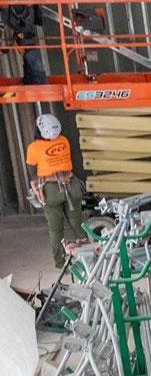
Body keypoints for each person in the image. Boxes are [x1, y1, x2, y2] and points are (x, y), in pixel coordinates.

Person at [25, 114, 83, 267]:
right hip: (71, 185)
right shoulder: (64, 140)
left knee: (56, 229)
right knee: (77, 224)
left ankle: (60, 262)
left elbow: (32, 173)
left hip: (50, 191)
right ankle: (87, 257)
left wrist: (37, 192)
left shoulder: (33, 147)